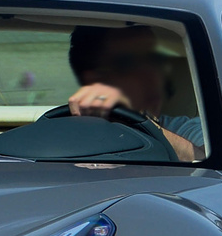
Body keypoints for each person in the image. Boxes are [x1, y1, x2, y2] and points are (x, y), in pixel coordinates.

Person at [66, 25, 204, 161]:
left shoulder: (185, 130)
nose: (150, 73)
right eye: (128, 62)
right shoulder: (63, 131)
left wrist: (137, 121)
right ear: (95, 78)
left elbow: (206, 164)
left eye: (153, 59)